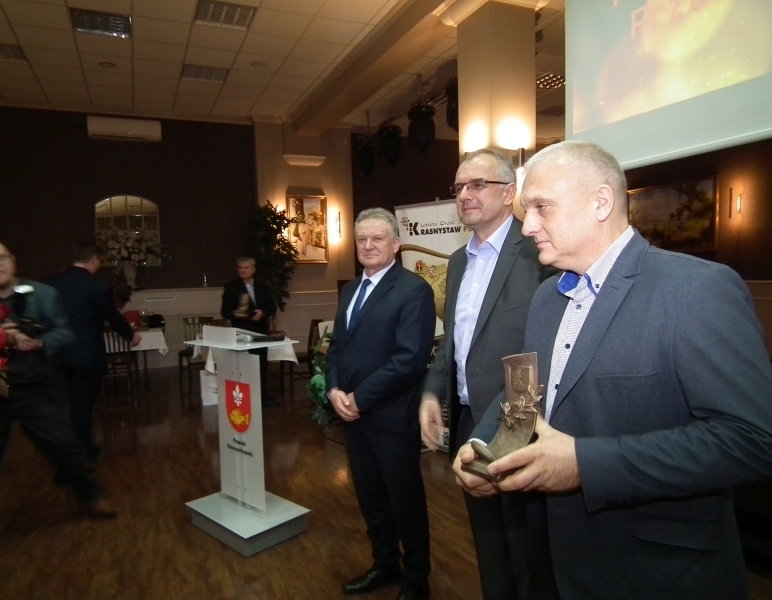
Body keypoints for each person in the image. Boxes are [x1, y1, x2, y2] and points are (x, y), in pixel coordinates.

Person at [454, 140, 772, 599]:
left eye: (542, 207)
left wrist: (585, 464)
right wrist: (485, 450)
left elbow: (752, 440)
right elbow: (523, 395)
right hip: (555, 557)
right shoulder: (546, 298)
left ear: (600, 202)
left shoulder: (696, 289)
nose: (529, 226)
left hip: (655, 570)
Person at [418, 148, 549, 600]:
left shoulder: (537, 252)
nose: (464, 195)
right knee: (488, 544)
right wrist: (432, 394)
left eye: (477, 185)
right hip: (467, 420)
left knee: (526, 549)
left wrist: (511, 428)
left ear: (509, 192)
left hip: (519, 422)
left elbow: (542, 350)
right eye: (459, 187)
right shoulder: (457, 261)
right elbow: (454, 342)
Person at [0, 240, 118, 567]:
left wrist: (36, 342)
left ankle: (92, 496)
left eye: (0, 258)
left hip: (34, 389)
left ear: (12, 259)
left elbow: (66, 333)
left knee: (66, 446)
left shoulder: (43, 294)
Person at [327, 208, 436, 600]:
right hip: (353, 417)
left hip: (392, 417)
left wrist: (360, 398)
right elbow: (337, 348)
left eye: (377, 238)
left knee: (404, 501)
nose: (368, 246)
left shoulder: (413, 290)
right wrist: (334, 389)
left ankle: (416, 579)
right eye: (362, 239)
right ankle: (385, 564)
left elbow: (409, 360)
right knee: (371, 497)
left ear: (396, 244)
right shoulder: (349, 290)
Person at [47, 242, 141, 458]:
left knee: (58, 407)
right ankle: (81, 451)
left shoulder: (51, 283)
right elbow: (112, 316)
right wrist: (130, 335)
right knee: (82, 406)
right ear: (94, 260)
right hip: (86, 354)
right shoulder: (97, 287)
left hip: (56, 353)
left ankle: (61, 450)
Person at [220, 257, 276, 404]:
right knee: (242, 365)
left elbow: (271, 306)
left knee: (261, 365)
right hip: (241, 331)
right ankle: (243, 398)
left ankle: (262, 397)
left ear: (253, 269)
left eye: (246, 267)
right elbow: (225, 311)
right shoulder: (231, 287)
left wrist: (262, 312)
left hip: (260, 330)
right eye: (240, 268)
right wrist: (236, 314)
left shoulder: (262, 286)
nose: (243, 270)